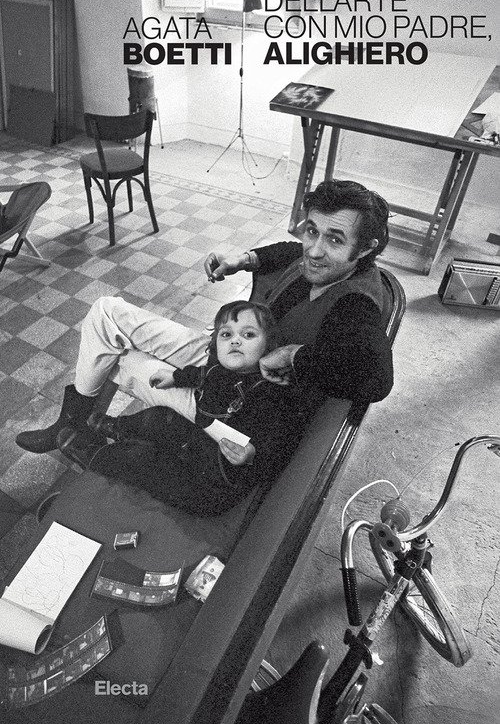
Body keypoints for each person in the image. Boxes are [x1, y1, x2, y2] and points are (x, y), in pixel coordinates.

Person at [16, 178, 394, 460]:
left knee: (114, 358)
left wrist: (292, 355)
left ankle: (73, 427)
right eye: (312, 230)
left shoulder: (355, 305)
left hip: (232, 398)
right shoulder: (321, 259)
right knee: (104, 312)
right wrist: (243, 260)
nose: (313, 249)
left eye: (334, 239)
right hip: (226, 348)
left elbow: (377, 377)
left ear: (366, 248)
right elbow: (289, 251)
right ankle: (73, 423)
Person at [56, 301, 304, 516]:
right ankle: (119, 427)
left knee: (143, 462)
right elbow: (201, 374)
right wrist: (176, 378)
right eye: (226, 335)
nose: (235, 340)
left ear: (269, 347)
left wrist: (252, 454)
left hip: (209, 486)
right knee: (160, 417)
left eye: (248, 335)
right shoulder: (220, 369)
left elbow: (278, 439)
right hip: (196, 442)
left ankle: (96, 456)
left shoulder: (267, 393)